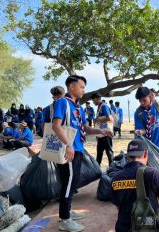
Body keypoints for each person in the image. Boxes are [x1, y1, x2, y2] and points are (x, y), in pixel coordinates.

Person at [52, 75, 113, 232]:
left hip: (78, 149)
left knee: (73, 180)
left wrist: (100, 130)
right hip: (69, 150)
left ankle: (68, 210)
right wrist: (68, 144)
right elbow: (56, 126)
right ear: (72, 87)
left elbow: (84, 128)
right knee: (69, 182)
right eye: (82, 87)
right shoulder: (62, 102)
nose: (83, 90)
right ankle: (64, 219)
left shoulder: (78, 107)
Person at [111, 139, 159, 232]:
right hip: (147, 227)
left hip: (123, 228)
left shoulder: (115, 178)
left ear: (127, 156)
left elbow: (119, 207)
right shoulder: (153, 174)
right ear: (146, 154)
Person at [92, 93, 114, 166]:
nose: (93, 102)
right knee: (99, 153)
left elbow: (109, 118)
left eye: (93, 100)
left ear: (97, 99)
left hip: (106, 134)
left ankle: (112, 168)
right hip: (101, 134)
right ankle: (97, 168)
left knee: (109, 152)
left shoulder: (104, 106)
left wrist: (97, 120)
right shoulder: (99, 107)